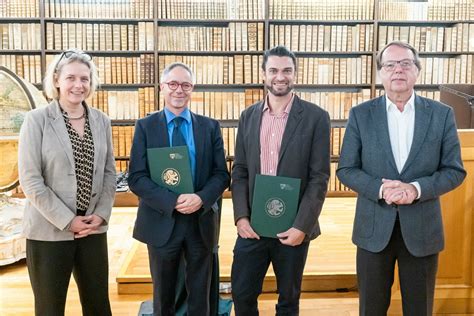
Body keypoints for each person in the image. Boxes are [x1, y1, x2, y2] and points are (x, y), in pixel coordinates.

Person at [336, 41, 466, 316]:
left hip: (422, 231)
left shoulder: (442, 114)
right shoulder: (361, 115)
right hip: (373, 230)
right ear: (380, 73)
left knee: (419, 310)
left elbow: (454, 171)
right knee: (371, 309)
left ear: (417, 71)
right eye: (390, 65)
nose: (398, 70)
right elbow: (346, 169)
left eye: (406, 64)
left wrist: (416, 189)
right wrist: (380, 189)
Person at [230, 45, 331, 315]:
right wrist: (241, 217)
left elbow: (319, 178)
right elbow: (239, 171)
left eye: (287, 70)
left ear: (295, 74)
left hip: (293, 226)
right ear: (264, 74)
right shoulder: (248, 116)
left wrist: (303, 226)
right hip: (252, 225)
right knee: (241, 293)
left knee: (288, 299)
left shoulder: (316, 118)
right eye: (273, 70)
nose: (280, 76)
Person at [18, 49, 116, 316]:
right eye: (71, 77)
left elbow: (109, 174)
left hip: (92, 230)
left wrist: (101, 215)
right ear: (57, 80)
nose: (78, 85)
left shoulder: (101, 121)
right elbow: (30, 179)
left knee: (98, 306)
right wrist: (67, 220)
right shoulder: (36, 120)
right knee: (50, 308)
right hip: (49, 232)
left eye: (85, 79)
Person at [128, 62, 230, 316]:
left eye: (185, 85)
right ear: (162, 87)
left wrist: (201, 198)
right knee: (164, 298)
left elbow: (221, 175)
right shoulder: (145, 126)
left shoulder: (209, 127)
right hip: (162, 221)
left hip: (200, 222)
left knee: (201, 297)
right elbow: (137, 178)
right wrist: (172, 201)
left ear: (192, 89)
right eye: (172, 84)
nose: (179, 90)